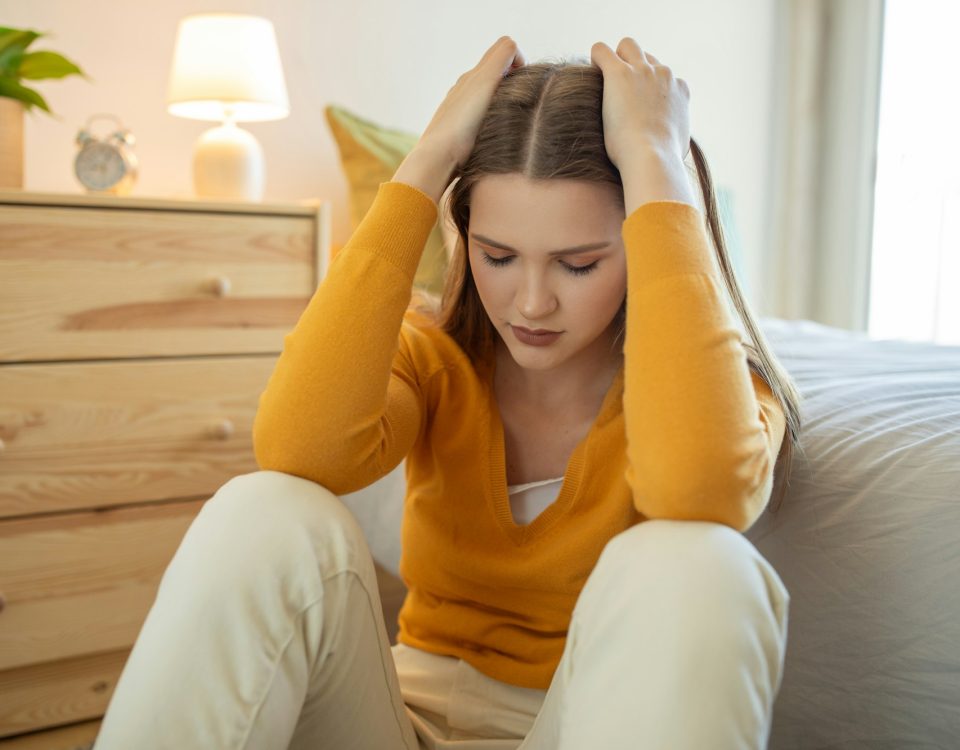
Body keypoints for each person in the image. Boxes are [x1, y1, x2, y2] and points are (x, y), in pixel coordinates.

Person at [95, 35, 803, 750]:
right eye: (498, 257)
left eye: (579, 265)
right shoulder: (435, 359)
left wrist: (656, 162)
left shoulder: (723, 391)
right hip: (400, 721)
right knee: (263, 505)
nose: (530, 304)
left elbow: (699, 488)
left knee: (700, 562)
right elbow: (299, 447)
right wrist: (429, 160)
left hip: (583, 723)